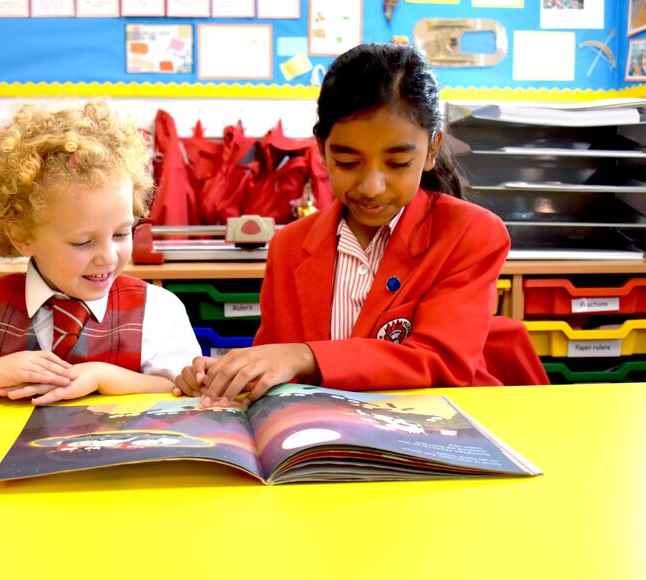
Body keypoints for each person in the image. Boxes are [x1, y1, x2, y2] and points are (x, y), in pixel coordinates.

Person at [175, 43, 511, 407]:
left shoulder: (469, 233)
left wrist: (306, 356)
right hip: (324, 429)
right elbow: (276, 364)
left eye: (397, 163)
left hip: (436, 424)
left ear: (431, 149)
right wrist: (229, 374)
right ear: (322, 150)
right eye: (348, 163)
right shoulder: (290, 245)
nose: (371, 187)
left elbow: (441, 361)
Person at [0, 101, 201, 405]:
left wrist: (105, 377)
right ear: (21, 237)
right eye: (82, 242)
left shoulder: (158, 310)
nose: (109, 257)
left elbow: (183, 391)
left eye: (120, 233)